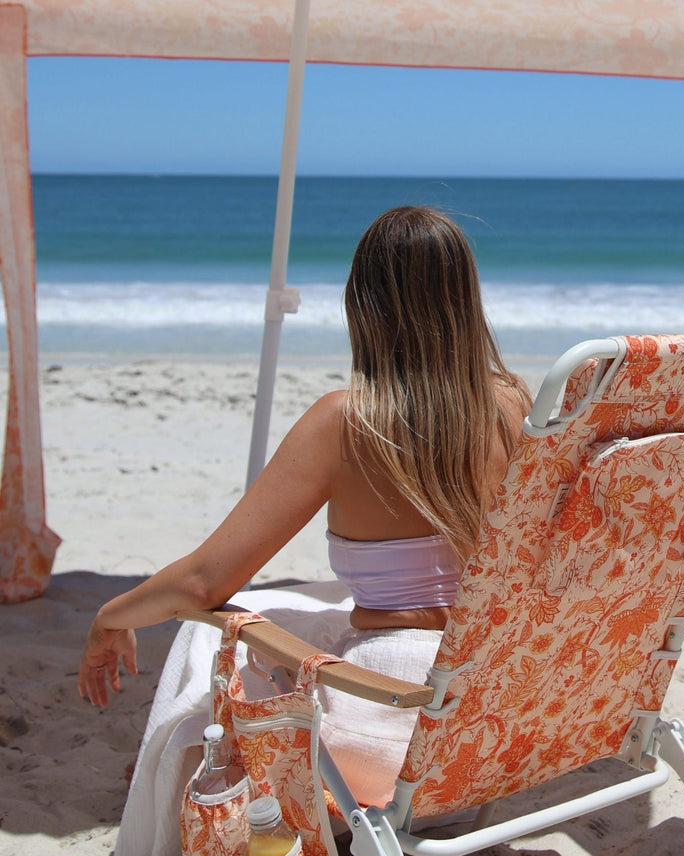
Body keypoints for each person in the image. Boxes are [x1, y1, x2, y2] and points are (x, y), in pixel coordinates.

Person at [77, 204, 531, 810]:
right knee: (284, 610)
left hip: (383, 734)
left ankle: (180, 795)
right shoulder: (512, 405)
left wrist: (110, 618)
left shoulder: (346, 422)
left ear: (363, 304)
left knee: (205, 637)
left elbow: (202, 583)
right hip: (490, 719)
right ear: (465, 297)